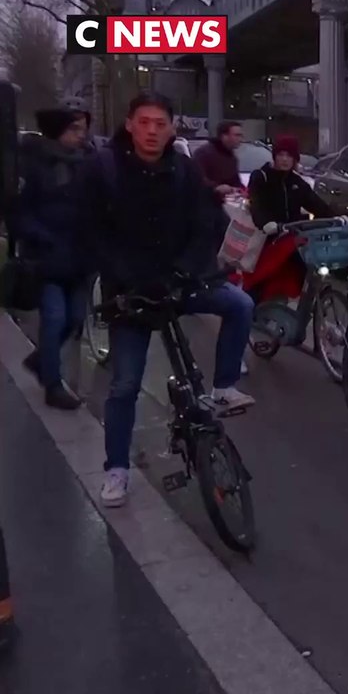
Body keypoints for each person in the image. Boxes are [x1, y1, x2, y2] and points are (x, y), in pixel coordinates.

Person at [85, 92, 256, 508]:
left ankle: (223, 386)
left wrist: (185, 270)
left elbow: (207, 224)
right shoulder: (104, 169)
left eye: (160, 123)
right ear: (129, 124)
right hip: (132, 293)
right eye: (144, 122)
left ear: (172, 128)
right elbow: (93, 234)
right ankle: (116, 470)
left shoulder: (184, 169)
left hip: (179, 280)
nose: (151, 131)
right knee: (125, 384)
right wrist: (129, 279)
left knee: (240, 305)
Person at [12, 107, 93, 409]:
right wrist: (42, 237)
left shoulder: (84, 162)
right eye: (74, 129)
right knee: (55, 318)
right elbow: (19, 212)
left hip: (79, 257)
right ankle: (53, 385)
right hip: (46, 258)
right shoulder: (33, 165)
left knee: (73, 318)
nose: (80, 135)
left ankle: (40, 360)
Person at [246, 134, 334, 229]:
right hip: (267, 235)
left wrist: (334, 217)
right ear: (275, 157)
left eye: (289, 155)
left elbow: (315, 203)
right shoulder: (261, 177)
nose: (285, 159)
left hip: (293, 235)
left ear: (294, 159)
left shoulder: (297, 182)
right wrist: (265, 223)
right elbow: (256, 205)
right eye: (281, 155)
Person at [193, 120, 244, 198]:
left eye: (241, 136)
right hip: (205, 202)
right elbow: (196, 178)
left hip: (226, 204)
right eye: (237, 135)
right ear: (224, 136)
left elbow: (235, 181)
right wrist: (216, 187)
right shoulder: (204, 153)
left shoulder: (232, 158)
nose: (240, 139)